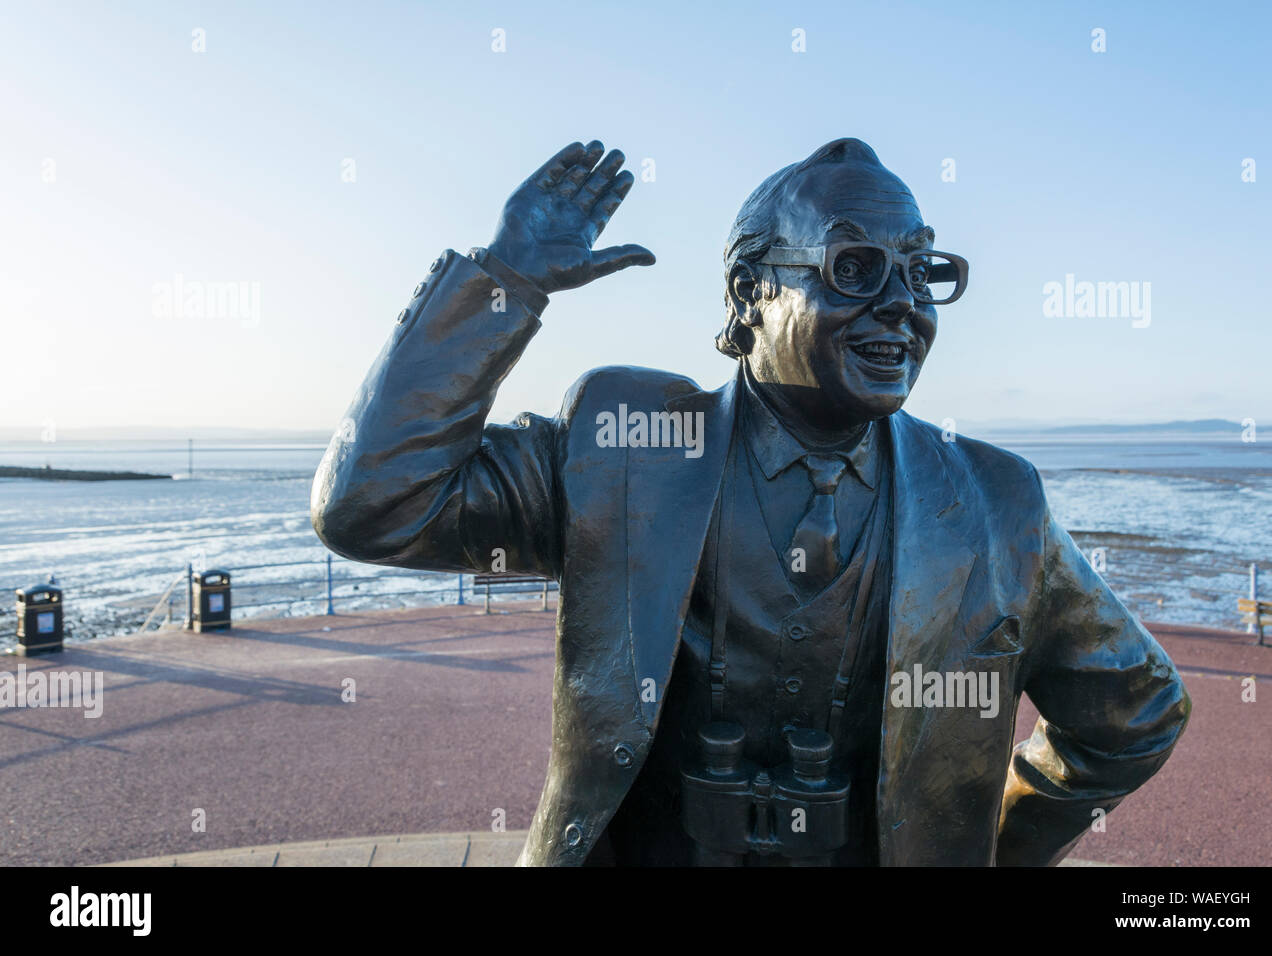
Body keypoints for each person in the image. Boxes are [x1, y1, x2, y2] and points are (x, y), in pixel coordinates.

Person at [311, 138, 1190, 866]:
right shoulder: (621, 449)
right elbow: (374, 504)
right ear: (749, 296)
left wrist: (986, 845)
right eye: (856, 268)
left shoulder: (996, 503)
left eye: (922, 274)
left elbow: (1135, 712)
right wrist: (504, 279)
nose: (901, 307)